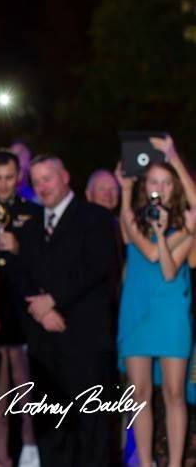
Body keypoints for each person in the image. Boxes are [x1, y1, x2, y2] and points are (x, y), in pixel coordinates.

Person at [15, 154, 118, 467]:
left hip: (86, 341)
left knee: (92, 428)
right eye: (36, 182)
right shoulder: (30, 229)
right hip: (46, 349)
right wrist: (41, 311)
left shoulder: (95, 217)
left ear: (65, 177)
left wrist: (54, 299)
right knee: (51, 428)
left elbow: (97, 266)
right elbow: (21, 275)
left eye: (47, 179)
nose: (42, 187)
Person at [116, 135, 196, 467]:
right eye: (154, 181)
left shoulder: (186, 225)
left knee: (175, 394)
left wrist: (173, 157)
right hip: (137, 313)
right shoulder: (133, 219)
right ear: (143, 183)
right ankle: (145, 462)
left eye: (167, 183)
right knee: (139, 395)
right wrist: (123, 189)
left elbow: (159, 259)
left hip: (172, 314)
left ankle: (175, 463)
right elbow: (144, 249)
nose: (160, 188)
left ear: (175, 187)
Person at [0, 149, 41, 467]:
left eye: (9, 178)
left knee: (28, 392)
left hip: (24, 317)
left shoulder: (32, 212)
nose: (3, 185)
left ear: (18, 177)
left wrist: (20, 247)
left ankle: (31, 451)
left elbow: (45, 264)